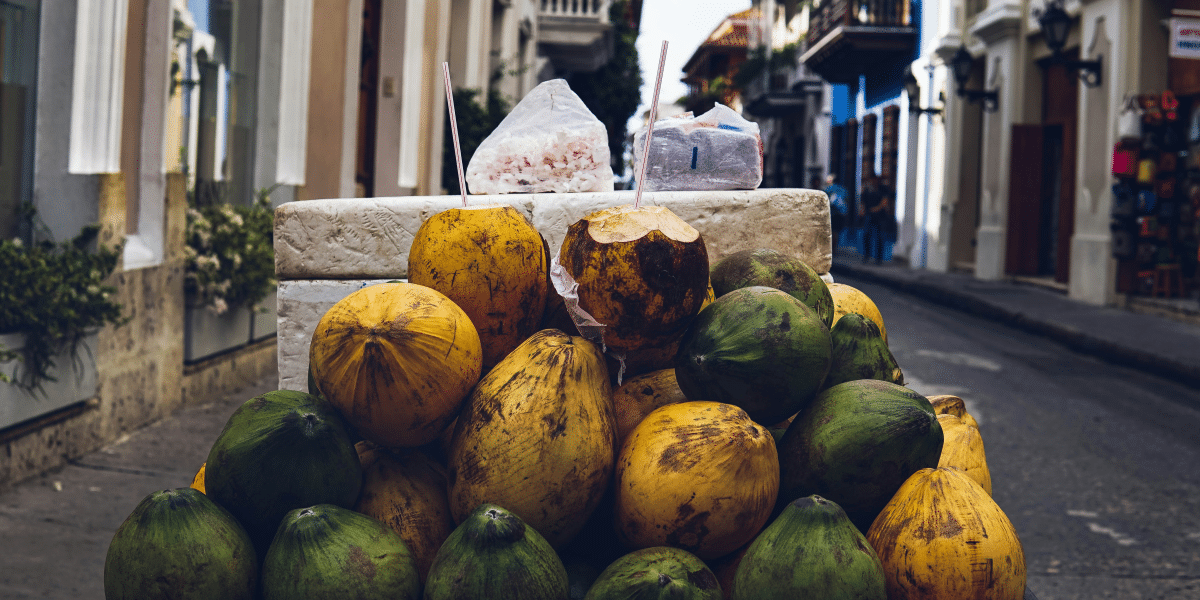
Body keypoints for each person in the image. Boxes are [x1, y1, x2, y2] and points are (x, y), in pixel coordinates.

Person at [858, 176, 891, 264]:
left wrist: (876, 209)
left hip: (880, 216)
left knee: (880, 237)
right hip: (869, 215)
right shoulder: (867, 189)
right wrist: (863, 210)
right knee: (866, 235)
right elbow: (863, 201)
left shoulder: (883, 189)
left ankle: (879, 258)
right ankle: (867, 255)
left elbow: (884, 201)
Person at [822, 174, 849, 246]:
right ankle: (834, 247)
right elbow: (846, 200)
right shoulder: (843, 189)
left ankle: (831, 248)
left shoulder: (828, 189)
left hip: (831, 213)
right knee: (836, 231)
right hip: (840, 213)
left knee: (831, 231)